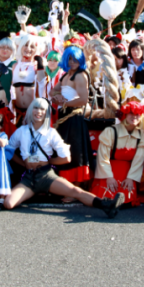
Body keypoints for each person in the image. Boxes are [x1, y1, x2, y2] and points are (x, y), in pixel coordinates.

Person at [3, 98, 124, 218]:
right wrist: (23, 163)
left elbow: (66, 158)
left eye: (42, 109)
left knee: (75, 191)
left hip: (46, 175)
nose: (38, 112)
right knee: (8, 203)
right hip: (29, 178)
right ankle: (33, 194)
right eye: (36, 108)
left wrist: (49, 161)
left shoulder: (51, 133)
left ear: (46, 113)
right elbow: (8, 150)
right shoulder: (21, 131)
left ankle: (106, 205)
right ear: (30, 110)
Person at [90, 100, 144, 207]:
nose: (134, 116)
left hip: (128, 173)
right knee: (105, 198)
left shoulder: (142, 135)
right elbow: (103, 156)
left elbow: (139, 159)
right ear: (124, 115)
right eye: (131, 113)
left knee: (127, 201)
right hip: (109, 170)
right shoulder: (110, 131)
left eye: (137, 114)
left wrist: (131, 178)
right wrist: (108, 177)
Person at [52, 45, 94, 190]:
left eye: (76, 59)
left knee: (76, 153)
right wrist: (58, 97)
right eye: (70, 59)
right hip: (64, 118)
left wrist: (64, 103)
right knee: (64, 151)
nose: (72, 62)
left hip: (75, 118)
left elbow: (83, 100)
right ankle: (65, 187)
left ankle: (75, 188)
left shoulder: (81, 75)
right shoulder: (65, 75)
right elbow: (52, 92)